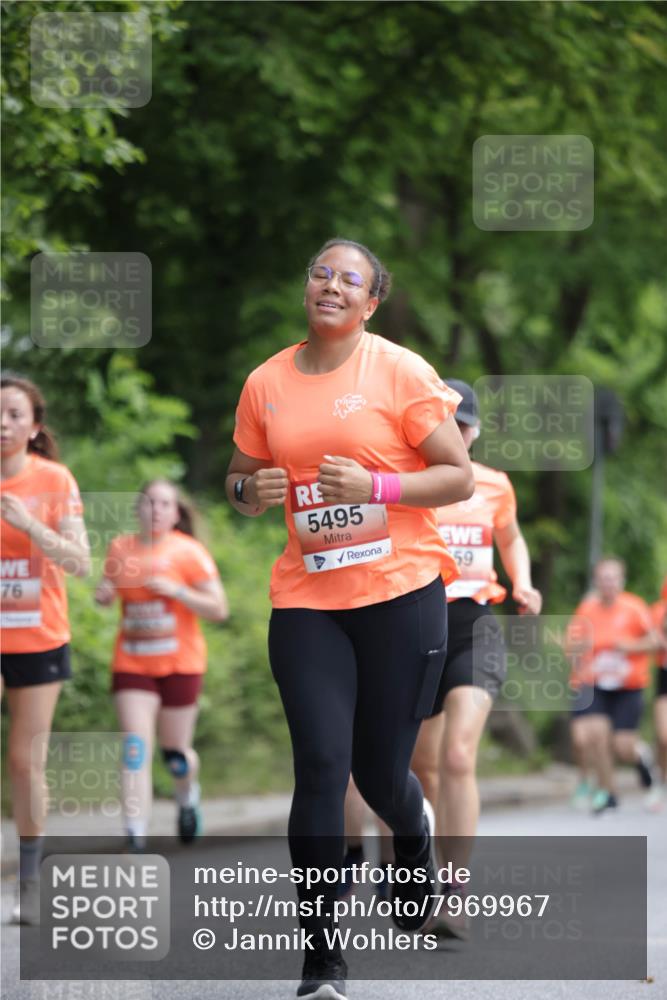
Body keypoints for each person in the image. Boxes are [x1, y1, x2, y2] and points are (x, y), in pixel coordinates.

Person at [227, 238, 473, 1000]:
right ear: (307, 288)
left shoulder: (397, 369)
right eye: (320, 273)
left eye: (349, 279)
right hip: (307, 599)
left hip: (401, 594)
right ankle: (322, 958)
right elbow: (237, 479)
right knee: (323, 767)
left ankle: (413, 834)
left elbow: (456, 476)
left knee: (379, 771)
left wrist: (375, 485)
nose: (330, 285)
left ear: (370, 303)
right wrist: (250, 494)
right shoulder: (265, 381)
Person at [410, 379, 541, 938]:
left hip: (474, 624)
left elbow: (509, 538)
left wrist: (524, 582)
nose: (456, 432)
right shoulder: (409, 480)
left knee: (460, 757)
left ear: (476, 429)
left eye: (464, 424)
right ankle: (414, 869)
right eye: (446, 422)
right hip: (415, 624)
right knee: (422, 769)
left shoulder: (493, 485)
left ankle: (455, 890)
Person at [95, 479, 228, 851]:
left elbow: (219, 608)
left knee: (175, 754)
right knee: (135, 746)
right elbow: (107, 588)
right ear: (137, 508)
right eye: (149, 503)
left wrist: (179, 591)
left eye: (164, 504)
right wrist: (104, 594)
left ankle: (188, 797)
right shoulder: (120, 548)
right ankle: (135, 832)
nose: (155, 510)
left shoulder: (189, 552)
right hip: (132, 663)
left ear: (176, 513)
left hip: (180, 664)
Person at [1, 373, 91, 925]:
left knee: (23, 760)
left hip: (37, 633)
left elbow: (80, 561)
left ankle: (30, 879)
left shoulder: (54, 479)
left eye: (13, 413)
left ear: (34, 427)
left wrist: (30, 523)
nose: (1, 422)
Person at [567, 558, 660, 815]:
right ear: (596, 582)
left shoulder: (634, 607)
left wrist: (629, 646)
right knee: (595, 737)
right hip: (595, 683)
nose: (608, 583)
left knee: (622, 745)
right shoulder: (586, 609)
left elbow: (656, 641)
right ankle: (609, 793)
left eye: (613, 578)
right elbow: (572, 645)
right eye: (603, 578)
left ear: (621, 581)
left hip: (627, 686)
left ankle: (643, 761)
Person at [646, 576, 667, 811]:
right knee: (663, 737)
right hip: (665, 677)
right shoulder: (658, 611)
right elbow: (650, 638)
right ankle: (660, 782)